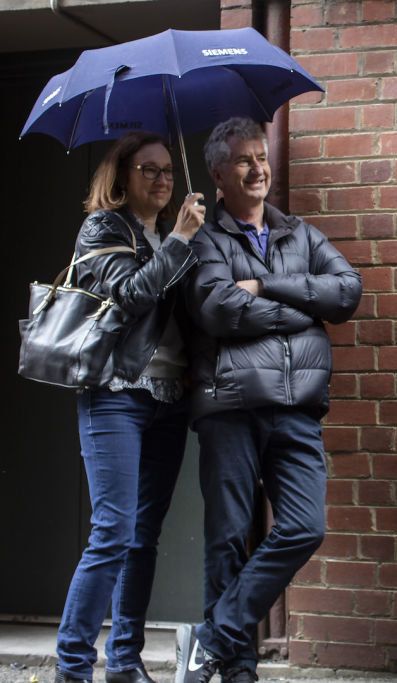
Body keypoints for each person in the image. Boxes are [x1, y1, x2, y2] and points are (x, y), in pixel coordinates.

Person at [174, 117, 362, 683]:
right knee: (228, 537)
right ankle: (236, 670)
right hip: (230, 404)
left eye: (262, 157)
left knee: (305, 527)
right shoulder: (203, 240)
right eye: (243, 160)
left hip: (297, 406)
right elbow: (217, 310)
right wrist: (306, 308)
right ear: (218, 174)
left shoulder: (299, 234)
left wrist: (267, 286)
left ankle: (212, 637)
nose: (258, 169)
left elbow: (348, 291)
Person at [54, 132, 206, 683]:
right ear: (122, 177)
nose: (163, 179)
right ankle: (72, 667)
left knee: (143, 537)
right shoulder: (102, 229)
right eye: (149, 169)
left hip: (167, 397)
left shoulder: (167, 233)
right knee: (113, 531)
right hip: (115, 392)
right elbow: (128, 296)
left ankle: (124, 659)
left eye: (168, 170)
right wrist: (180, 242)